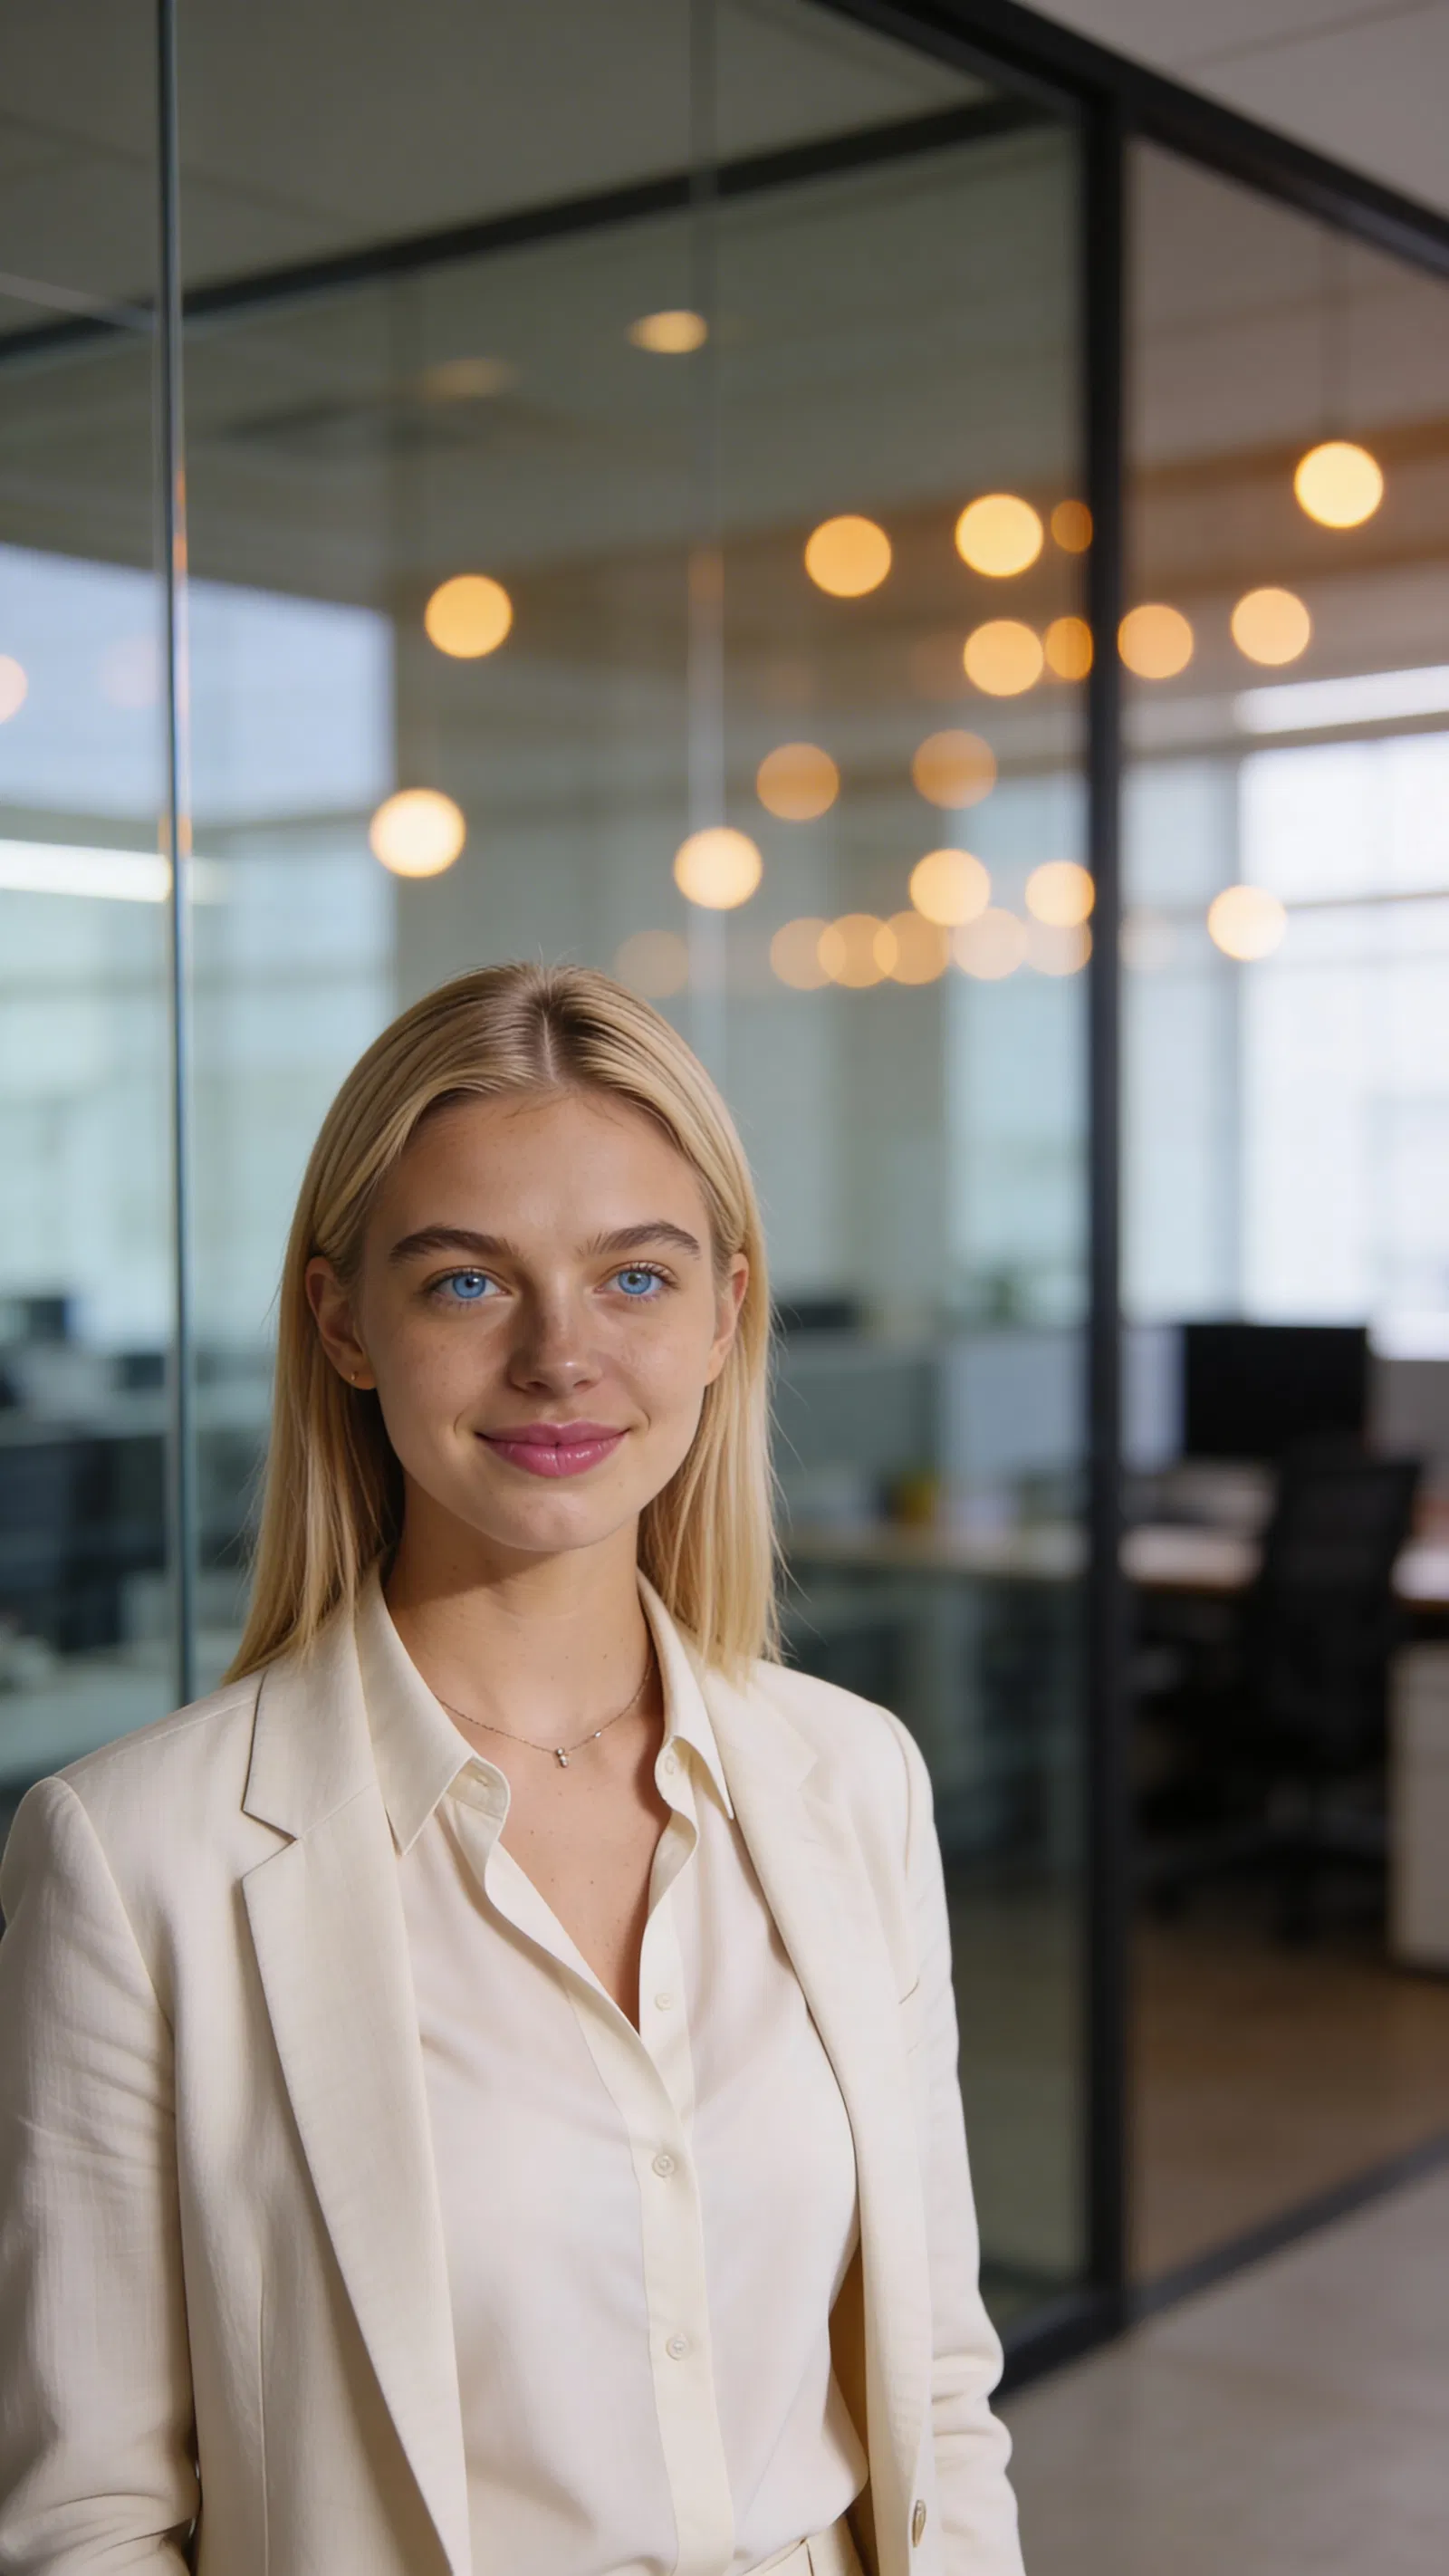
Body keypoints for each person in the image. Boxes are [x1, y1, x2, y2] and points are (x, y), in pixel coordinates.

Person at [0, 962, 1024, 2576]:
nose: (562, 1356)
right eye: (468, 1284)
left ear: (725, 1314)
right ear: (343, 1322)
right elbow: (90, 2526)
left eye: (633, 1277)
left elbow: (937, 2397)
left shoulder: (854, 1780)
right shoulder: (136, 1861)